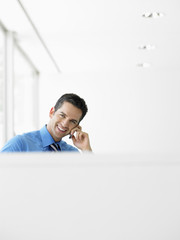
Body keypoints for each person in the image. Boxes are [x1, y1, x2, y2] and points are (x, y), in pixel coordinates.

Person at [0, 93, 92, 152]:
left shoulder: (72, 154)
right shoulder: (20, 144)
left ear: (77, 126)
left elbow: (91, 181)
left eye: (72, 121)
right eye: (62, 115)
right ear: (52, 112)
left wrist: (86, 149)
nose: (65, 124)